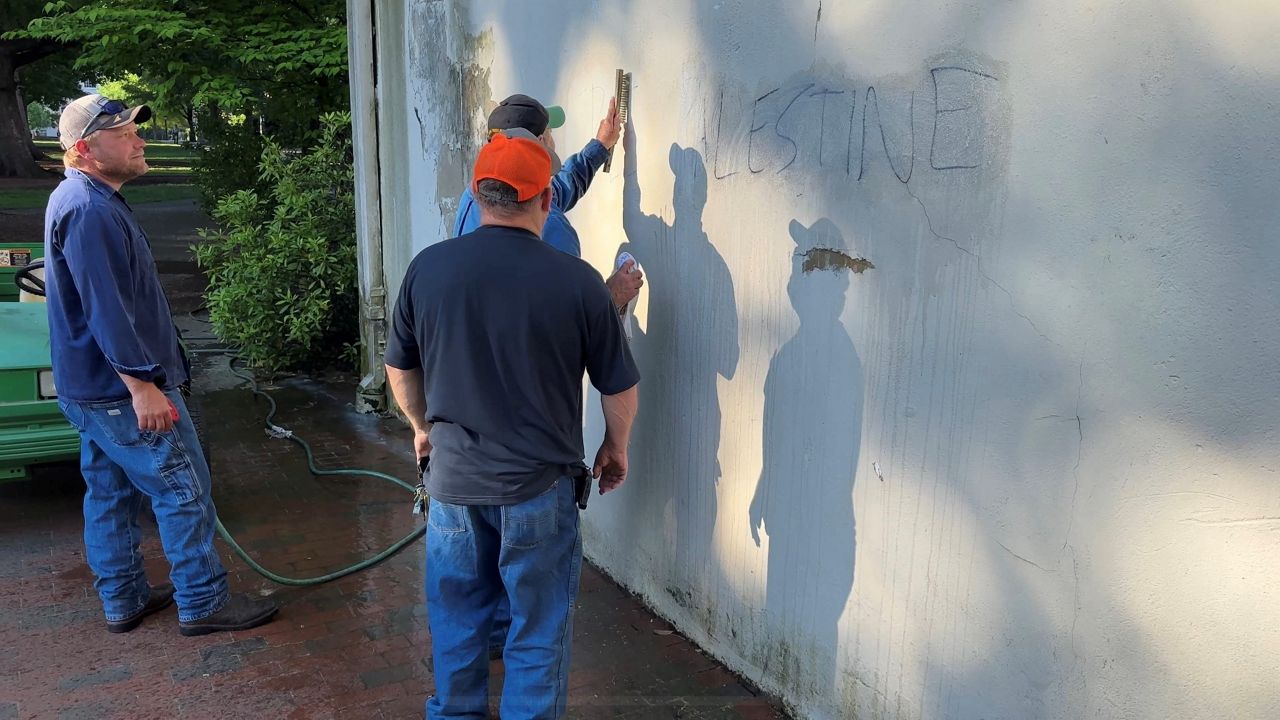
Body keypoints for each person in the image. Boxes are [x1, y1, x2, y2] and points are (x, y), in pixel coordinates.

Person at [386, 129, 640, 718]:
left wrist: (424, 428)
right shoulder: (577, 281)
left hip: (452, 487)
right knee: (537, 633)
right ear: (546, 198)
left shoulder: (428, 270)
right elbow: (618, 385)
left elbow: (400, 370)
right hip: (540, 491)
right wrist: (615, 447)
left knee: (457, 625)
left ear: (478, 194)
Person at [44, 94, 277, 636]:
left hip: (93, 389)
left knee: (110, 492)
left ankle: (123, 599)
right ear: (85, 149)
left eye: (133, 130)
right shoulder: (89, 209)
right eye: (124, 133)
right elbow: (106, 308)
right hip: (120, 392)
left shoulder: (84, 198)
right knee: (183, 490)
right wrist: (142, 386)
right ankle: (203, 602)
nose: (139, 139)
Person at [455, 93, 644, 311]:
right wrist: (611, 295)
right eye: (551, 132)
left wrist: (600, 146)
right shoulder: (553, 228)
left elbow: (559, 190)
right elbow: (567, 319)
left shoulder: (473, 196)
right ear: (542, 142)